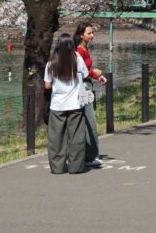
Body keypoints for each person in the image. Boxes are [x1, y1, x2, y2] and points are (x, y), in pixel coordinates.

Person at [44, 34, 89, 175]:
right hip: (75, 104)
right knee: (76, 137)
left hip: (57, 105)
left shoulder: (51, 62)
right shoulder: (77, 59)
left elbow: (47, 85)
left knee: (56, 137)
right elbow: (86, 74)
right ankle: (76, 167)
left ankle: (57, 167)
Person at [73, 22, 108, 169]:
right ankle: (90, 156)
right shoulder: (79, 51)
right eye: (89, 33)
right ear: (81, 35)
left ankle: (87, 154)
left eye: (92, 33)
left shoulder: (84, 49)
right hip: (83, 88)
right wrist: (95, 73)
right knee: (89, 122)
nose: (92, 35)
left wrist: (97, 76)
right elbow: (82, 71)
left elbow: (86, 69)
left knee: (87, 121)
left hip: (86, 85)